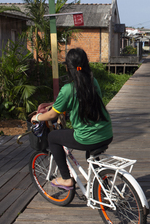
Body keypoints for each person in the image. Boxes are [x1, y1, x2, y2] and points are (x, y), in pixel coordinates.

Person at [31, 48, 113, 190]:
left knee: (53, 137)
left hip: (86, 138)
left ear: (68, 68)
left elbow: (51, 115)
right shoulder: (94, 82)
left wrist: (37, 117)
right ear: (86, 64)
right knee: (91, 153)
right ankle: (103, 187)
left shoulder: (68, 89)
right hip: (106, 133)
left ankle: (66, 178)